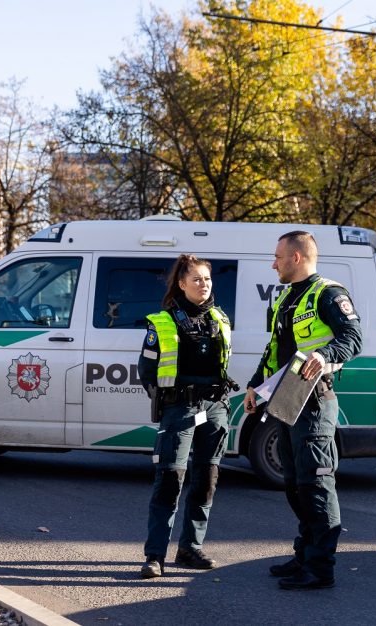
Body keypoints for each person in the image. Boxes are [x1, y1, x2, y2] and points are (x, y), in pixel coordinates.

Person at [244, 231, 362, 590]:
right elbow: (274, 350)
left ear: (296, 257)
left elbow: (353, 338)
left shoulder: (328, 293)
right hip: (287, 399)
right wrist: (254, 384)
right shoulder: (288, 298)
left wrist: (324, 356)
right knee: (295, 483)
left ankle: (320, 568)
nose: (273, 262)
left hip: (314, 401)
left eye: (278, 256)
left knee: (316, 485)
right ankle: (305, 554)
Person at [138, 254, 235, 579]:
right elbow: (146, 371)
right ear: (181, 283)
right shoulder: (163, 322)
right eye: (196, 279)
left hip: (215, 408)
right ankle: (155, 556)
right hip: (181, 409)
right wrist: (169, 401)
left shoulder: (220, 318)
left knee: (206, 479)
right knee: (170, 480)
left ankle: (191, 548)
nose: (203, 284)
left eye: (207, 279)